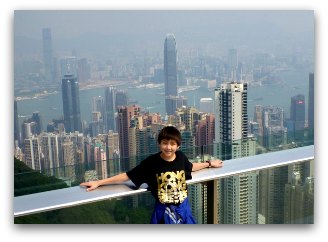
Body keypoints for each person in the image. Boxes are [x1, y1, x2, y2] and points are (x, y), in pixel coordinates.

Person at [80, 125, 223, 224]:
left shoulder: (180, 157)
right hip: (163, 211)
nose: (168, 147)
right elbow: (128, 176)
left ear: (178, 146)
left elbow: (190, 167)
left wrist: (209, 163)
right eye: (165, 143)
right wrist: (99, 182)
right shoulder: (152, 162)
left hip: (183, 207)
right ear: (159, 144)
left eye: (173, 144)